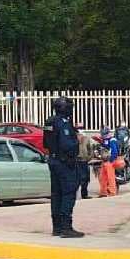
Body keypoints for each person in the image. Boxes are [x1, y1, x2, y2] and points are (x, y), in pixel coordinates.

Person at [43, 96, 85, 238]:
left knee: (56, 195)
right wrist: (77, 141)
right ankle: (66, 227)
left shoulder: (50, 121)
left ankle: (57, 227)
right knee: (68, 193)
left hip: (53, 161)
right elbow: (66, 145)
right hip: (64, 163)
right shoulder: (63, 124)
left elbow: (46, 143)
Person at [77, 129, 98, 200]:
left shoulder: (86, 139)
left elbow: (90, 149)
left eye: (81, 134)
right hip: (76, 161)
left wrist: (89, 157)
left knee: (85, 178)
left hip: (84, 161)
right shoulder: (74, 139)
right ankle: (74, 195)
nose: (80, 136)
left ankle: (84, 194)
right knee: (77, 179)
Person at [98, 127, 119, 197]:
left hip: (110, 161)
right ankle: (103, 192)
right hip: (106, 161)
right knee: (102, 177)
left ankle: (112, 192)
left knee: (110, 178)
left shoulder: (112, 140)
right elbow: (105, 146)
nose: (103, 136)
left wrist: (110, 161)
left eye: (103, 135)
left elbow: (115, 152)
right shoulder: (106, 140)